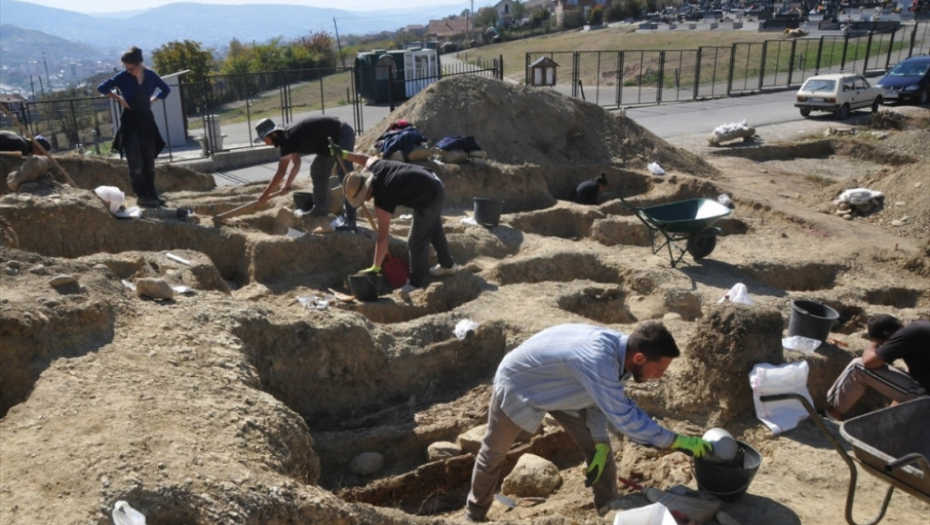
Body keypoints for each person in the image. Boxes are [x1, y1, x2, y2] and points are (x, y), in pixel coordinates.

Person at [464, 322, 713, 522]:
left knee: (602, 455)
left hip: (567, 388)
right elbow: (625, 418)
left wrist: (599, 441)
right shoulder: (599, 358)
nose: (660, 377)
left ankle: (609, 512)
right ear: (639, 358)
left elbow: (597, 402)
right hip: (522, 384)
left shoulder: (621, 355)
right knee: (493, 452)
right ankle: (474, 515)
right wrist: (676, 441)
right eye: (659, 370)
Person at [335, 146, 458, 292]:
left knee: (415, 242)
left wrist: (376, 267)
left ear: (367, 190)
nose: (364, 201)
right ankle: (448, 265)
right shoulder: (377, 167)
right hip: (431, 182)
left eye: (361, 197)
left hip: (431, 196)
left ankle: (415, 284)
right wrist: (344, 153)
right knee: (433, 229)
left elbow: (382, 237)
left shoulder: (384, 197)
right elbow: (364, 158)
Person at [97, 46, 170, 208]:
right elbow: (102, 87)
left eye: (131, 68)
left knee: (149, 161)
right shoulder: (123, 77)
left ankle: (152, 195)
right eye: (126, 68)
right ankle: (142, 196)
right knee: (135, 161)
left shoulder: (151, 76)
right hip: (130, 122)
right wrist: (120, 99)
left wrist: (153, 100)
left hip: (146, 121)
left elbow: (166, 89)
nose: (128, 71)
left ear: (139, 64)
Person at [254, 116, 356, 230]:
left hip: (341, 134)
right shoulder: (286, 138)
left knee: (345, 175)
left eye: (264, 139)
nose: (265, 143)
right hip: (327, 144)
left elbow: (281, 172)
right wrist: (286, 185)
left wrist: (265, 195)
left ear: (272, 134)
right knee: (318, 170)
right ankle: (320, 209)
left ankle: (350, 219)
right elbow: (296, 163)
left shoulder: (288, 139)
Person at [826, 314, 929, 420]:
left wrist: (874, 342)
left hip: (925, 399)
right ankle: (890, 422)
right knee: (907, 374)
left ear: (887, 335)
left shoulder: (906, 334)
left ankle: (832, 415)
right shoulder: (921, 327)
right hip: (924, 393)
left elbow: (868, 362)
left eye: (883, 343)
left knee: (858, 367)